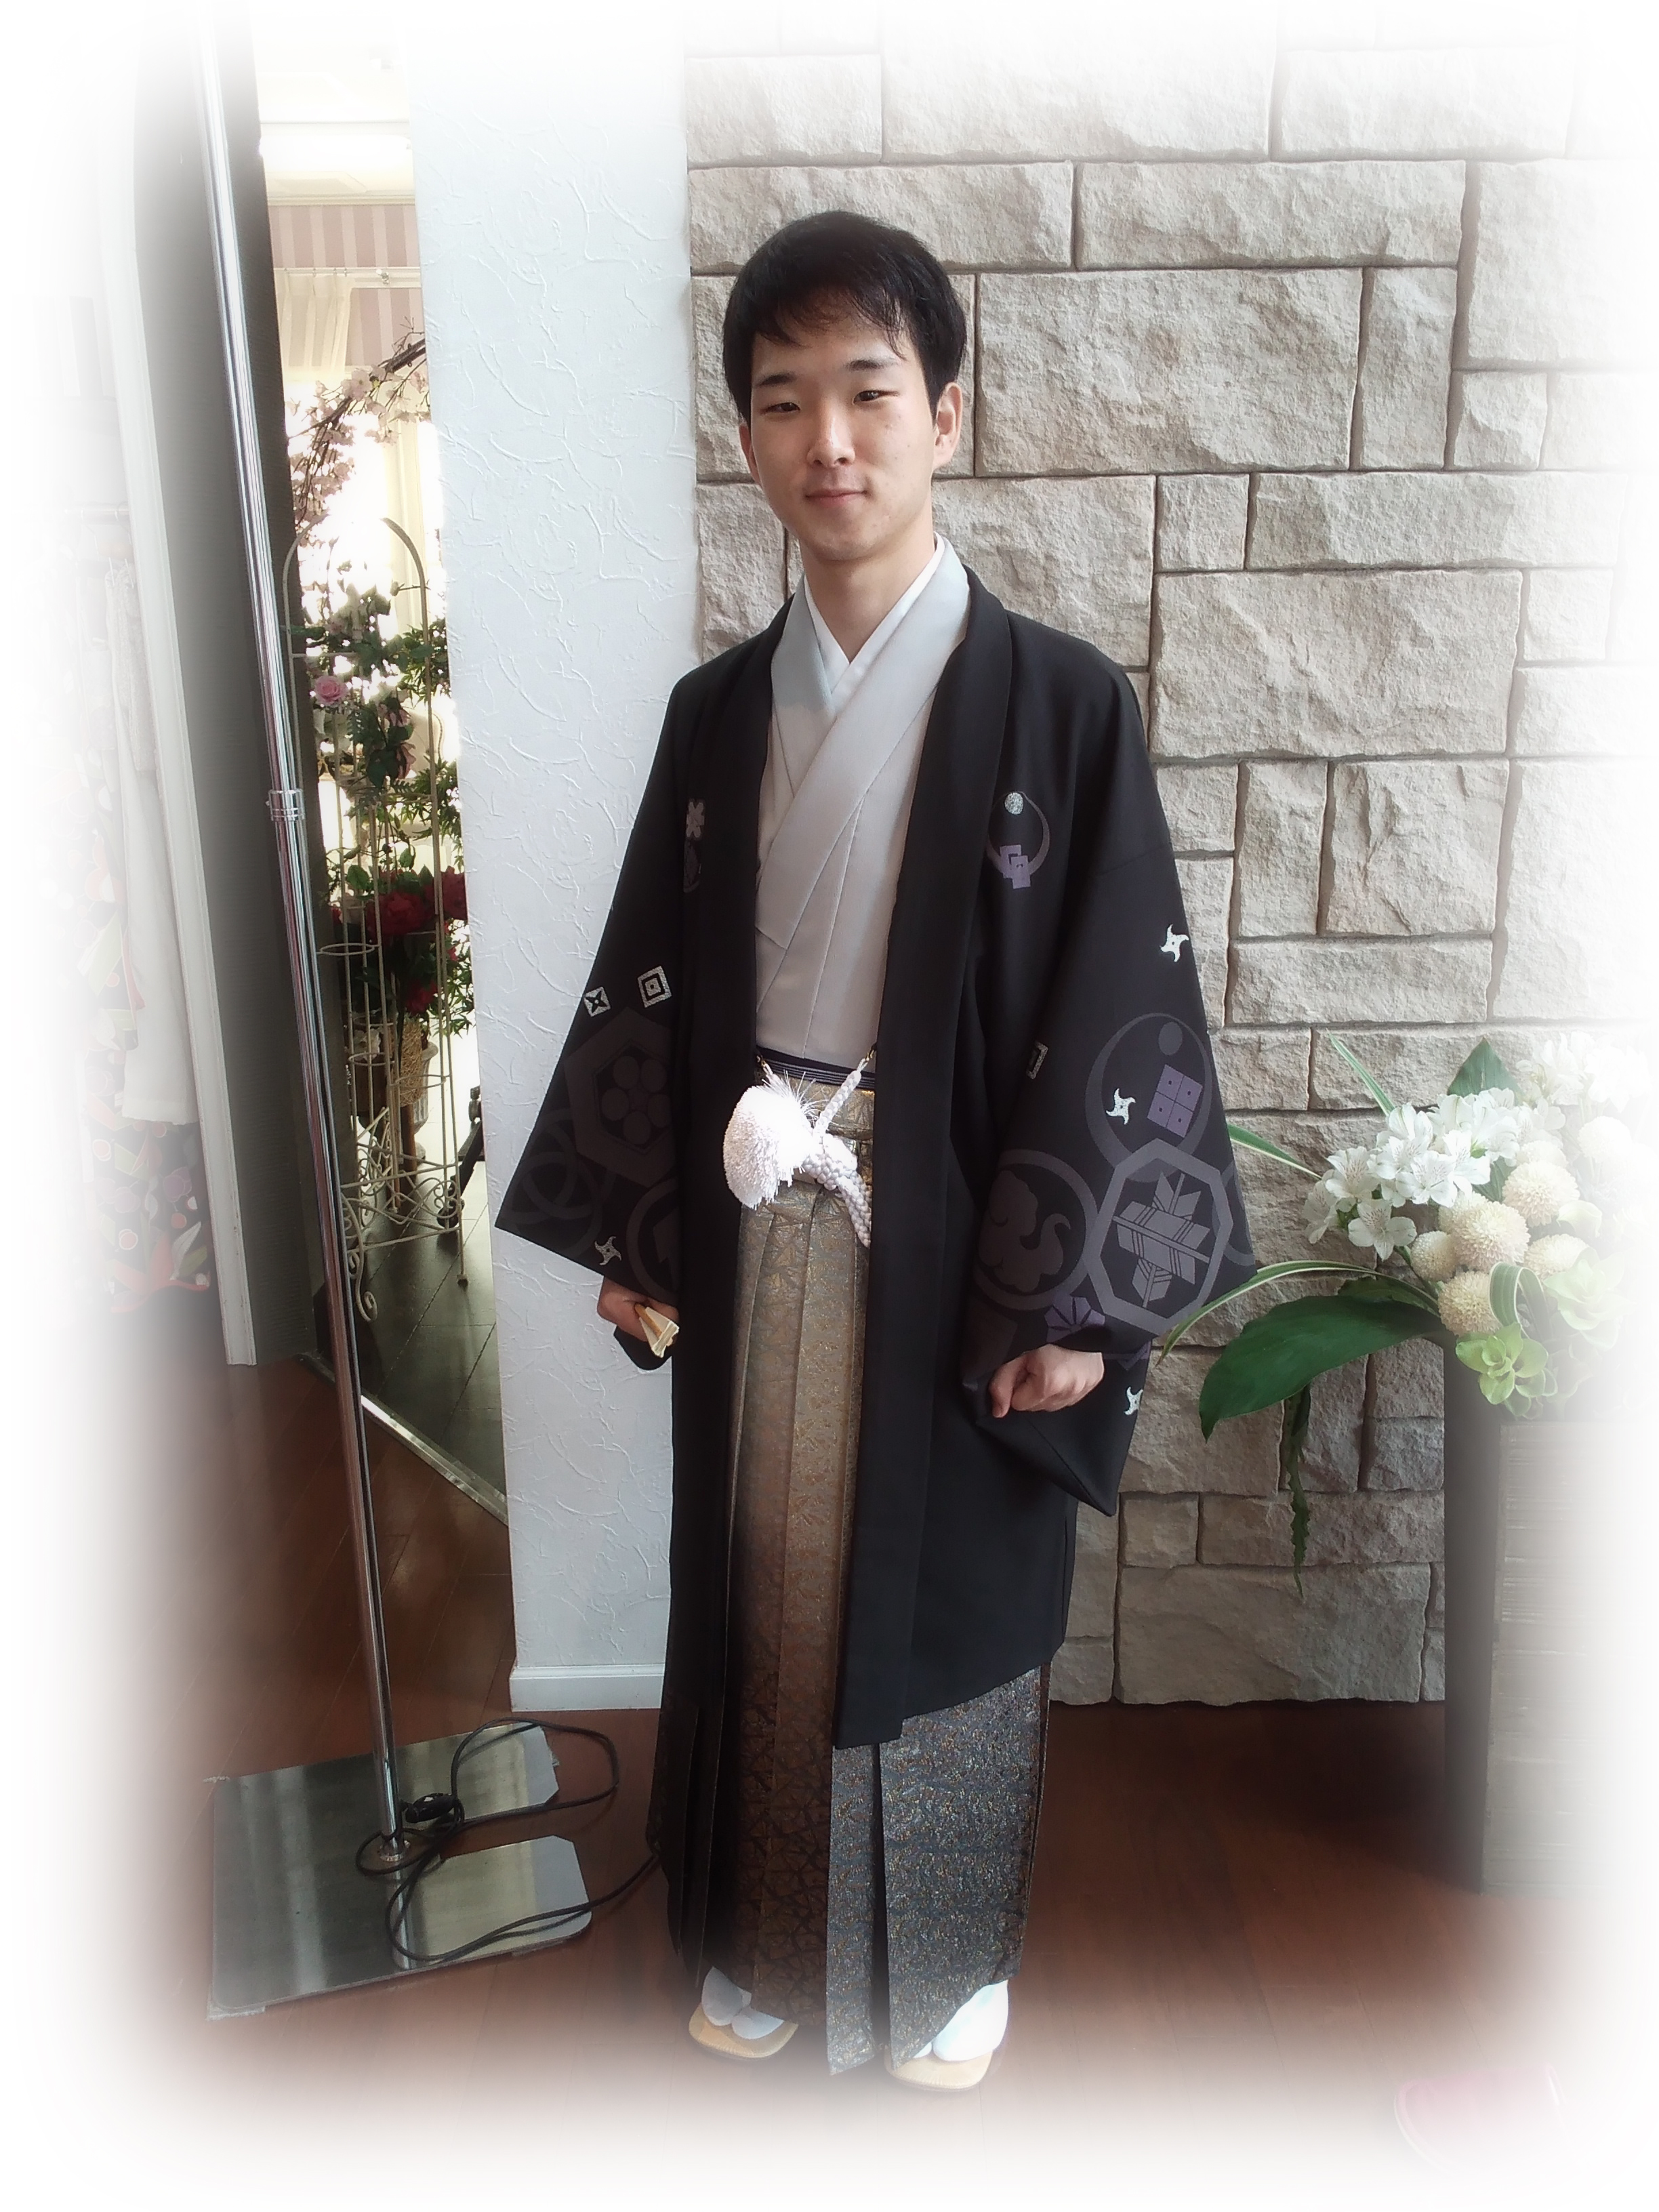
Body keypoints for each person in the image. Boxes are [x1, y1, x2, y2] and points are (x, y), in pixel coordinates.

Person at [497, 211, 1253, 2088]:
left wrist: (1083, 1300)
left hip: (973, 1230)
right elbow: (655, 987)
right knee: (766, 1575)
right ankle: (765, 1934)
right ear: (748, 437)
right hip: (766, 1202)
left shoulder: (1064, 707)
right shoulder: (714, 717)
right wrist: (644, 1228)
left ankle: (949, 1962)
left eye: (867, 392)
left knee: (957, 1588)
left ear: (947, 415)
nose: (826, 440)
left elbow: (1122, 1008)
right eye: (781, 401)